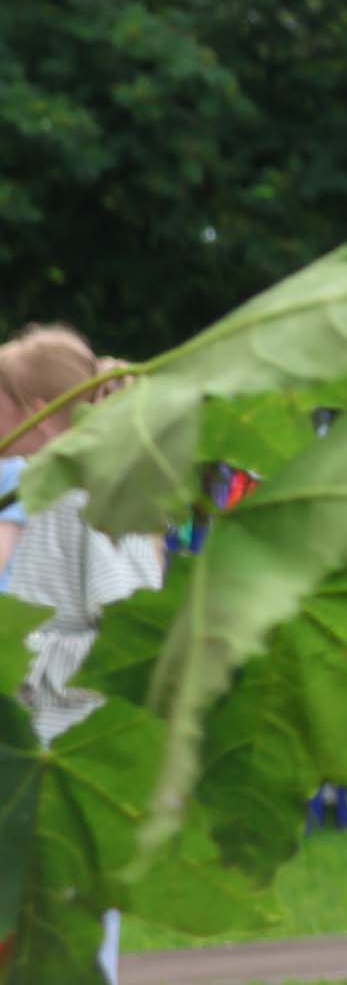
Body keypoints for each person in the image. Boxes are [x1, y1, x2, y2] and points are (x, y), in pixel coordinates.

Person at [1, 324, 164, 985]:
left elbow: (123, 638)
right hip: (55, 767)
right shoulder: (74, 498)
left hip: (61, 769)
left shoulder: (78, 503)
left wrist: (24, 664)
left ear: (37, 414)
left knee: (60, 949)